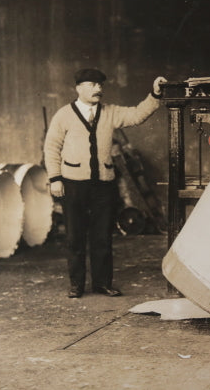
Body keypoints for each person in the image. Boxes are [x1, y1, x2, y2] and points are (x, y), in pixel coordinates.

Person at [44, 68, 166, 298]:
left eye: (100, 85)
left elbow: (138, 115)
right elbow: (51, 148)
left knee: (102, 236)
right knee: (75, 236)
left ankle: (102, 283)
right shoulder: (63, 115)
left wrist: (155, 94)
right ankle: (76, 285)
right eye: (92, 84)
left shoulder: (110, 113)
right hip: (73, 183)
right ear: (78, 88)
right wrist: (55, 178)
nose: (98, 89)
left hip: (103, 184)